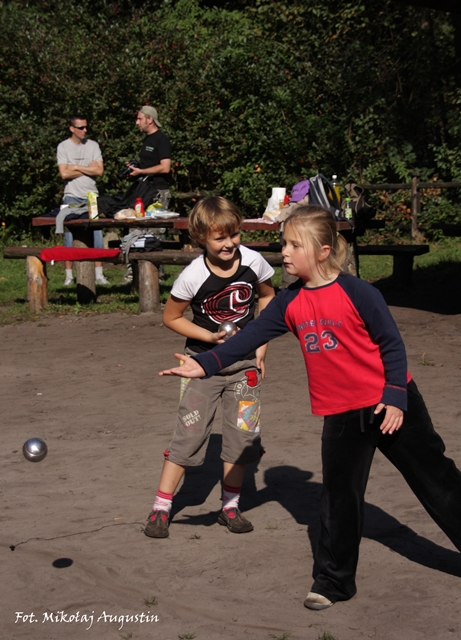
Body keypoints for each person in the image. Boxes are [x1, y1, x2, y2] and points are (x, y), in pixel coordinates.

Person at [158, 204, 461, 610]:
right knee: (339, 499)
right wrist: (204, 364)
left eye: (294, 245)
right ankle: (334, 582)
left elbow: (391, 343)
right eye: (283, 243)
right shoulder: (289, 301)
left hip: (391, 404)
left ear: (322, 251)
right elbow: (248, 338)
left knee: (438, 482)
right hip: (342, 413)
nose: (284, 252)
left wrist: (394, 397)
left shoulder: (359, 292)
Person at [144, 196, 275, 539]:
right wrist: (209, 337)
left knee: (242, 438)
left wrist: (261, 346)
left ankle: (230, 506)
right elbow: (171, 317)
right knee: (188, 435)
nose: (230, 243)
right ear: (201, 238)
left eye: (234, 234)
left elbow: (268, 297)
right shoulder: (193, 275)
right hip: (201, 366)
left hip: (244, 365)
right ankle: (161, 507)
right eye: (220, 238)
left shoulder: (253, 261)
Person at [97, 105, 172, 282]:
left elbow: (165, 167)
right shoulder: (147, 140)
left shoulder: (161, 139)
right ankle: (135, 274)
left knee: (154, 234)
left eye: (139, 119)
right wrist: (135, 171)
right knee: (136, 230)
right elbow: (149, 166)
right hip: (143, 190)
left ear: (150, 119)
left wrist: (142, 171)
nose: (137, 122)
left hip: (158, 193)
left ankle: (157, 276)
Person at [56, 115, 109, 286]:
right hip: (71, 195)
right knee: (69, 236)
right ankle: (69, 276)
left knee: (97, 233)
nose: (84, 130)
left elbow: (99, 171)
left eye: (86, 127)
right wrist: (88, 168)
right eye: (80, 127)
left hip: (91, 196)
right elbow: (64, 173)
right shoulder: (63, 147)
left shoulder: (93, 146)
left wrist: (77, 167)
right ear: (72, 129)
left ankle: (99, 274)